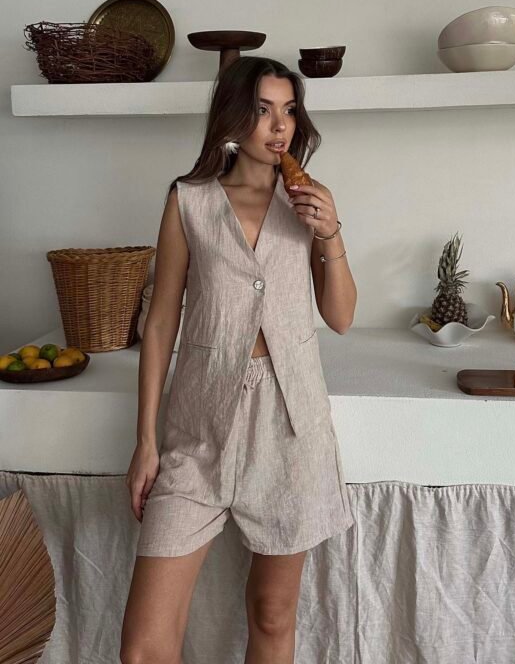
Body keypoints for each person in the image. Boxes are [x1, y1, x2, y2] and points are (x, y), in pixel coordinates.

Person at [120, 56, 358, 664]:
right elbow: (160, 324)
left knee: (272, 613)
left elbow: (341, 316)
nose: (279, 126)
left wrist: (331, 233)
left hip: (290, 427)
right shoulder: (189, 201)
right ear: (232, 115)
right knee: (143, 648)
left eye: (289, 110)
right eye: (262, 110)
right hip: (197, 427)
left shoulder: (308, 203)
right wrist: (146, 441)